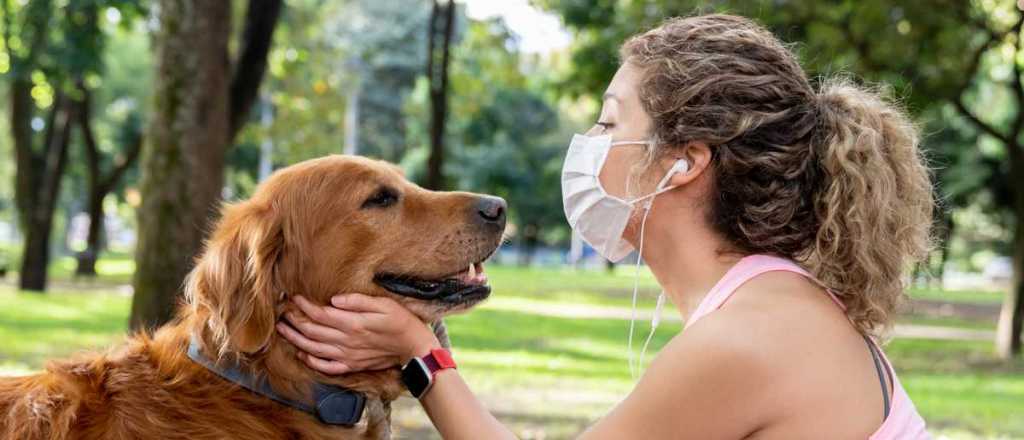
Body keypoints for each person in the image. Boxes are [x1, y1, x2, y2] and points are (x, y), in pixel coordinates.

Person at [277, 14, 933, 439]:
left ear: (682, 164)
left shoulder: (743, 341)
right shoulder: (772, 303)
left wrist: (419, 355)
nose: (587, 143)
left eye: (610, 123)